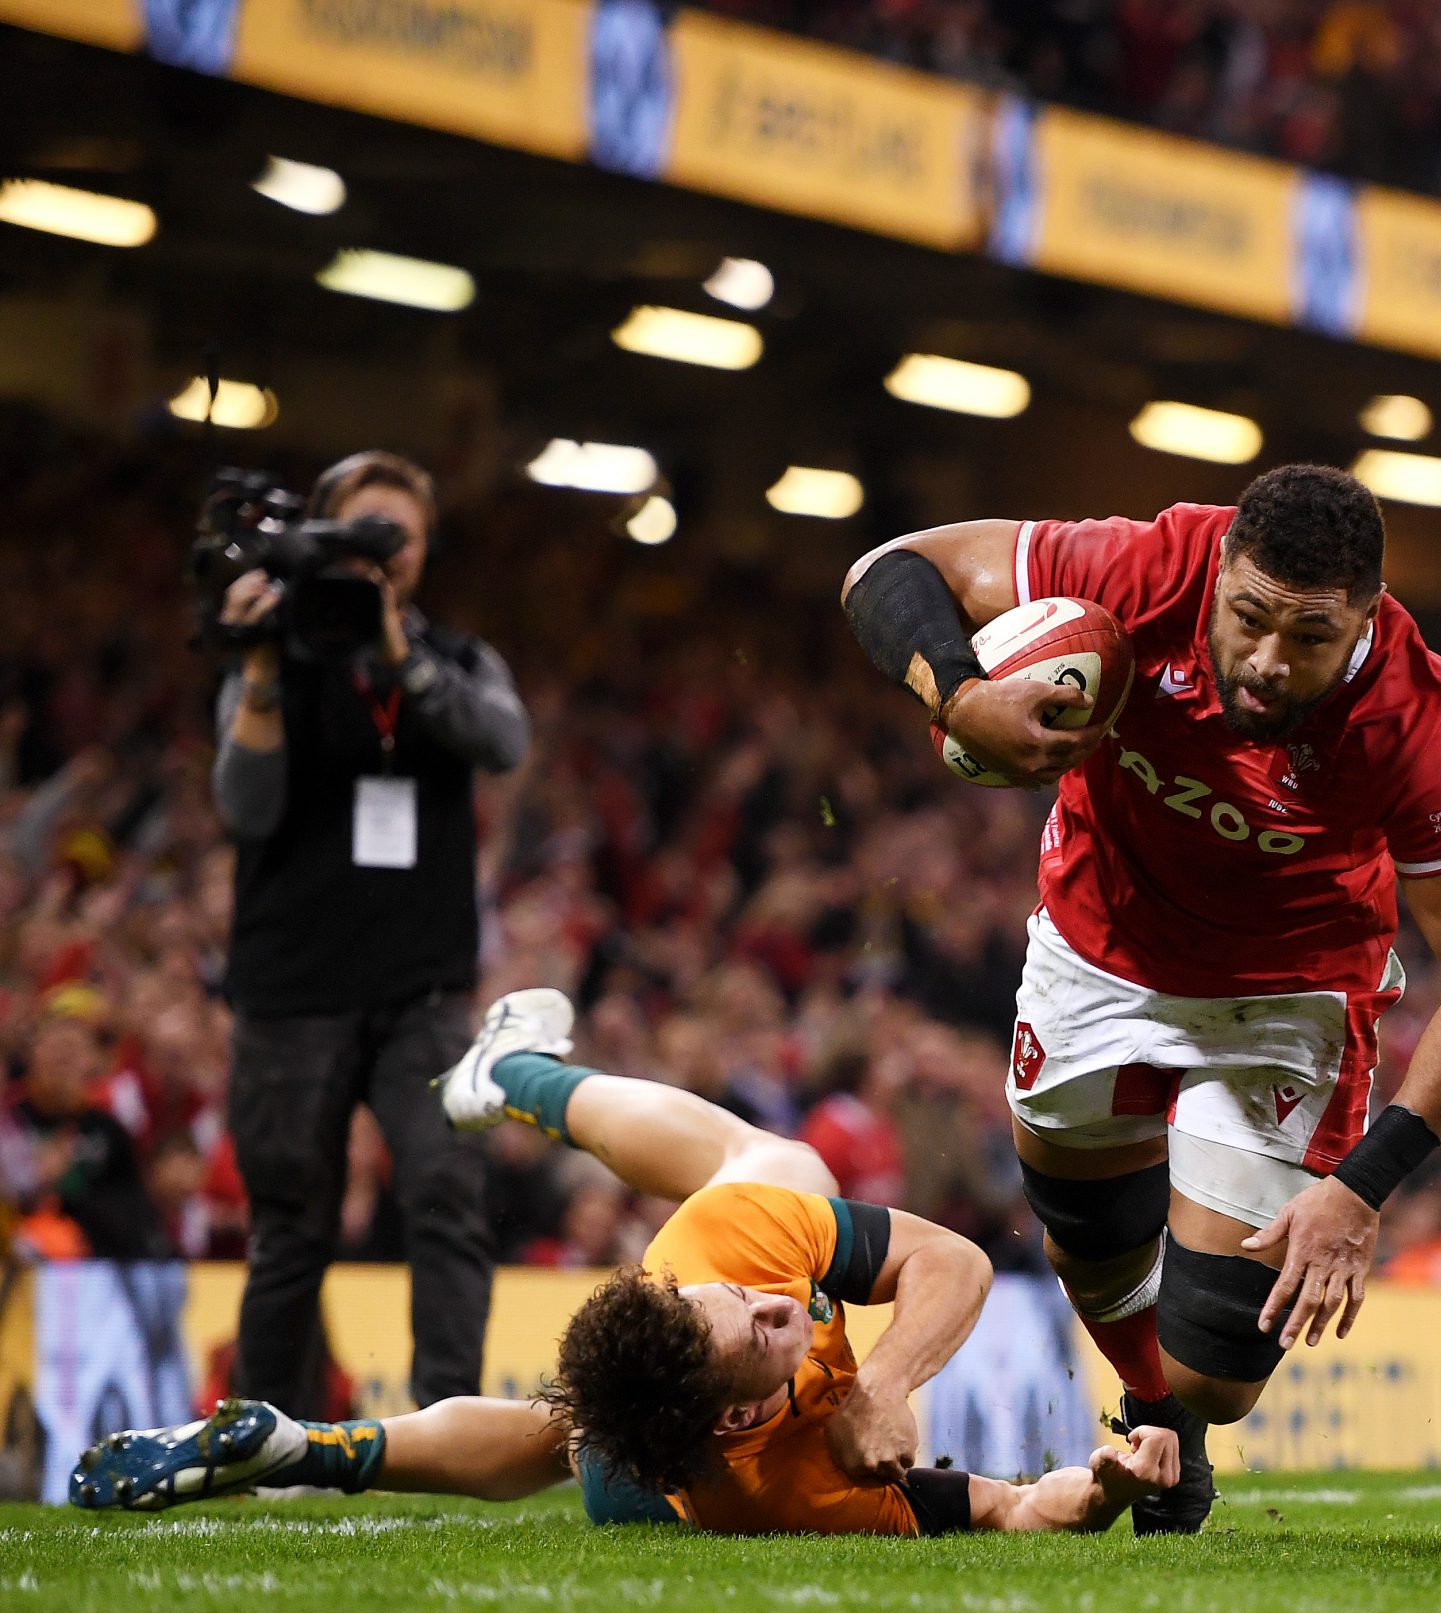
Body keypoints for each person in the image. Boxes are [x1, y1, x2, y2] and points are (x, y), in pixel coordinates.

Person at [838, 464, 1441, 1531]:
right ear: (1217, 573)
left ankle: (1187, 1407)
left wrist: (1361, 1188)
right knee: (1085, 1232)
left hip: (1287, 993)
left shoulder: (1400, 715)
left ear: (1359, 624)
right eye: (1249, 617)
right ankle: (1150, 1416)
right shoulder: (1144, 567)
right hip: (1098, 946)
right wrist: (963, 693)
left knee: (1223, 1370)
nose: (1268, 659)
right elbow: (888, 569)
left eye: (1309, 638)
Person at [69, 990, 1177, 1536]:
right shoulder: (783, 1484)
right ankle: (518, 1077)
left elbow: (956, 1264)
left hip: (634, 1429)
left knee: (584, 1399)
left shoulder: (718, 1255)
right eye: (760, 1327)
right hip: (660, 1485)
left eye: (743, 1302)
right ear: (738, 1414)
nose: (771, 1300)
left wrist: (882, 1383)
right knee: (776, 1154)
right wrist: (1107, 1485)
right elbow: (1008, 1509)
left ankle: (304, 1441)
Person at [214, 451, 528, 1415]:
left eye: (399, 539)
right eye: (362, 535)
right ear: (321, 533)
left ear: (426, 552)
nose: (380, 559)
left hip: (423, 988)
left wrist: (401, 655)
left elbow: (503, 742)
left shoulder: (457, 657)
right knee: (291, 1225)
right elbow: (244, 805)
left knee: (446, 1198)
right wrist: (261, 673)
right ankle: (261, 1434)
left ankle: (448, 1432)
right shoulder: (272, 648)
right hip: (291, 986)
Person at [1, 985, 171, 1259]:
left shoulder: (109, 1131)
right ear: (32, 1056)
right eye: (54, 1049)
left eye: (73, 1051)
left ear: (92, 1063)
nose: (62, 1059)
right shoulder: (8, 1121)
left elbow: (133, 1212)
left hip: (93, 1269)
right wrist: (32, 1181)